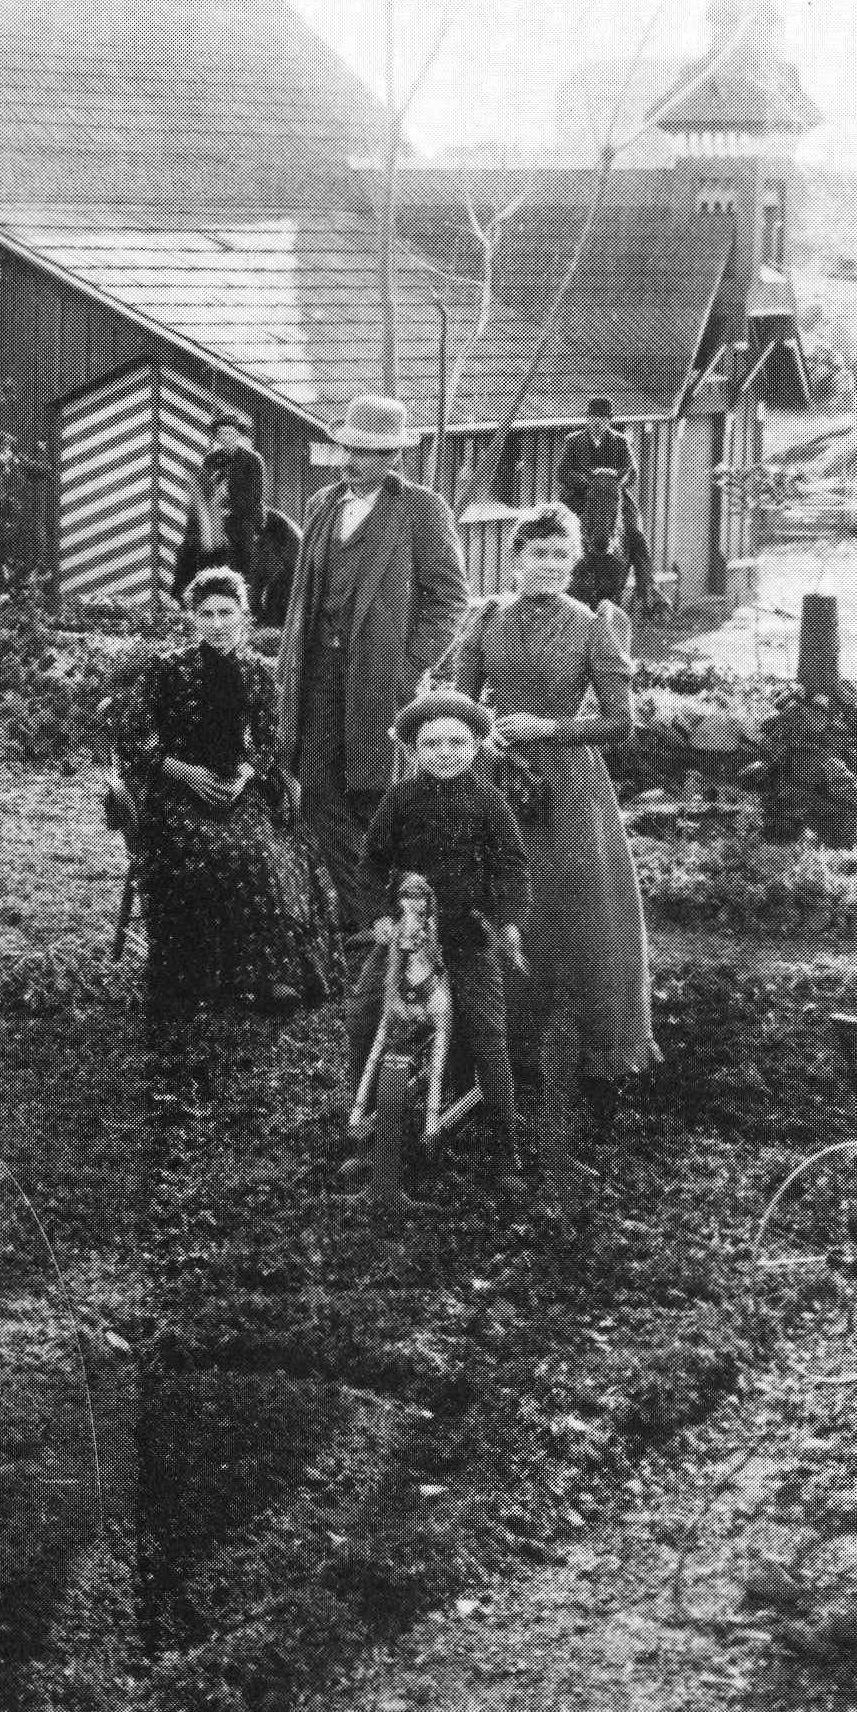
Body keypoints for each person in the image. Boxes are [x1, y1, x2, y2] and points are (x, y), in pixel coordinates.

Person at [454, 502, 659, 1127]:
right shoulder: (485, 618)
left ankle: (597, 1060)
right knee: (490, 903)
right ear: (514, 559)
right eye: (536, 554)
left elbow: (619, 723)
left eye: (560, 557)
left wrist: (545, 729)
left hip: (568, 787)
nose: (547, 566)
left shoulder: (594, 625)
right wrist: (479, 731)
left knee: (577, 914)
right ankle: (488, 1053)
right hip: (494, 776)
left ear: (574, 565)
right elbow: (458, 699)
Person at [274, 393, 471, 934]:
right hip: (316, 676)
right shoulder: (322, 505)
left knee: (372, 797)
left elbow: (450, 599)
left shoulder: (422, 510)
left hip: (380, 679)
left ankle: (383, 923)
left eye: (378, 453)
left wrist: (410, 666)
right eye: (355, 450)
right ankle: (363, 920)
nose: (362, 462)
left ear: (396, 458)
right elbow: (304, 595)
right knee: (317, 798)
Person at [113, 567, 333, 1012]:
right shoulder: (167, 670)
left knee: (269, 851)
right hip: (177, 790)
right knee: (217, 850)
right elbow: (133, 737)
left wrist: (246, 774)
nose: (216, 623)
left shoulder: (258, 673)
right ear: (193, 619)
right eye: (207, 614)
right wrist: (184, 772)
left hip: (236, 786)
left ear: (243, 617)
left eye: (226, 613)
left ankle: (271, 974)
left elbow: (269, 740)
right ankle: (205, 973)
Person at [345, 690, 530, 1178]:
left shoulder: (488, 799)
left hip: (465, 933)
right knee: (365, 1014)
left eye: (456, 743)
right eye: (431, 744)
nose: (444, 753)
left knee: (486, 1029)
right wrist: (380, 916)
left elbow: (511, 866)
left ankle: (504, 1143)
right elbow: (371, 863)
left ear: (474, 748)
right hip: (409, 930)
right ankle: (366, 1129)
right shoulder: (401, 798)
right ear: (414, 750)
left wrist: (507, 919)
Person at [169, 410, 302, 626]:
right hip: (215, 512)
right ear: (217, 436)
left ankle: (246, 593)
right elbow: (206, 489)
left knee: (243, 541)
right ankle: (180, 592)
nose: (226, 437)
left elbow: (255, 495)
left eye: (230, 433)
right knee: (189, 543)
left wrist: (229, 504)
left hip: (245, 513)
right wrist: (210, 503)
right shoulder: (211, 459)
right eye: (221, 433)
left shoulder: (252, 460)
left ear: (238, 435)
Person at [557, 396, 666, 615]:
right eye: (593, 418)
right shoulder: (574, 441)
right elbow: (562, 472)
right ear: (587, 419)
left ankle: (647, 588)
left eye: (602, 418)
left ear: (609, 420)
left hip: (612, 496)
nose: (597, 422)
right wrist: (585, 482)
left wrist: (614, 481)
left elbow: (632, 472)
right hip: (580, 496)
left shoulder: (620, 441)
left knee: (635, 532)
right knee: (558, 526)